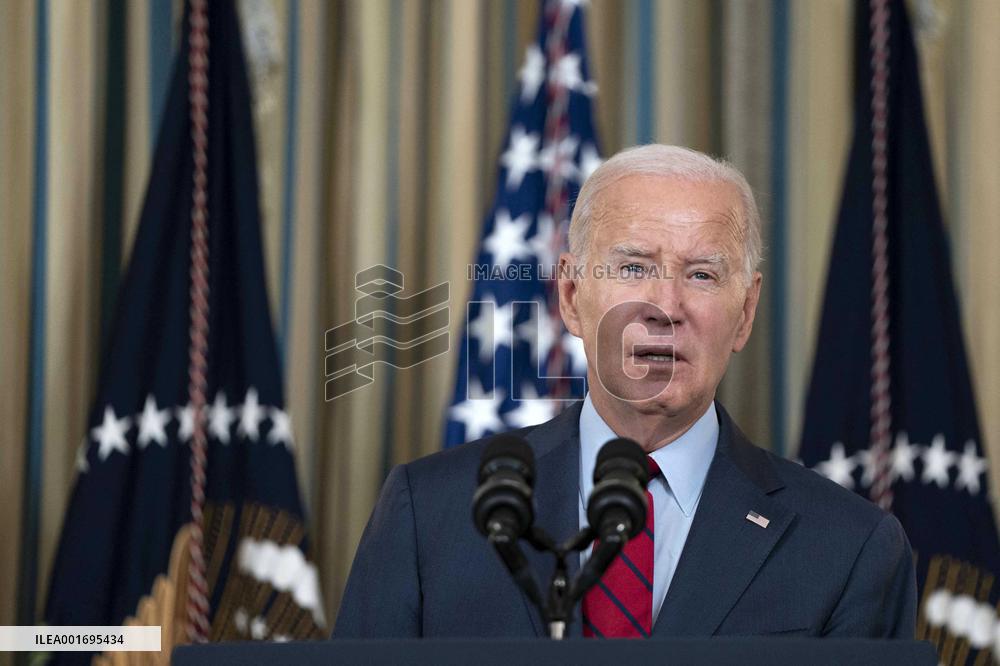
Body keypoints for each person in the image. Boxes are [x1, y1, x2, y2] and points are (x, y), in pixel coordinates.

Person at [333, 145, 917, 639]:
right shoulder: (429, 513)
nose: (665, 307)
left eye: (702, 275)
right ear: (569, 296)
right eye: (634, 268)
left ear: (745, 314)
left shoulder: (850, 548)